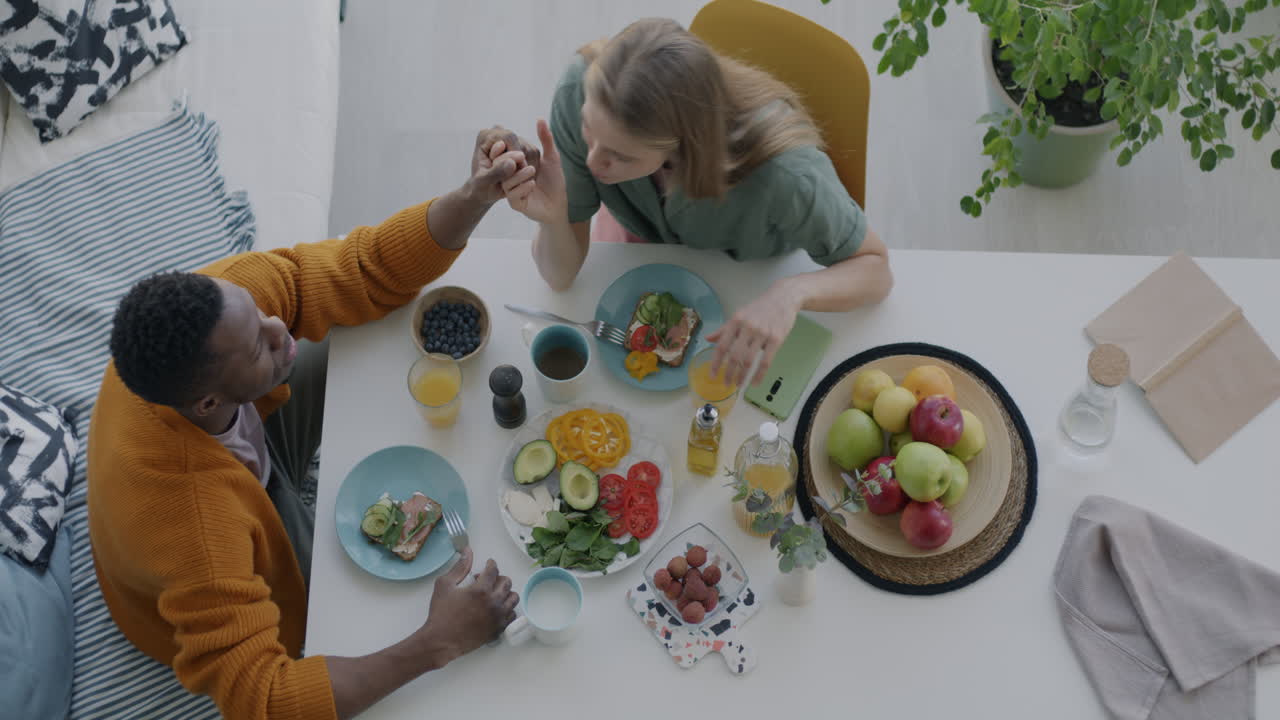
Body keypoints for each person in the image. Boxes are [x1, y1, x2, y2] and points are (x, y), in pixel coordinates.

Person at [87, 127, 538, 720]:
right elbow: (263, 700)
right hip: (207, 530)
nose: (281, 329)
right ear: (206, 403)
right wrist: (436, 643)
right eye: (257, 347)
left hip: (244, 435)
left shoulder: (227, 305)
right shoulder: (193, 526)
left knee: (362, 317)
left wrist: (473, 196)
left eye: (261, 316)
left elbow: (363, 265)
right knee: (342, 618)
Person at [498, 18, 893, 386]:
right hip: (636, 241)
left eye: (622, 155)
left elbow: (876, 272)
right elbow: (559, 277)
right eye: (588, 129)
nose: (591, 161)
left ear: (683, 141)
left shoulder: (786, 176)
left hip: (750, 267)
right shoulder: (578, 94)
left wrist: (790, 294)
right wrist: (553, 219)